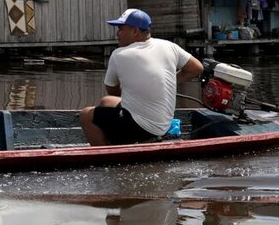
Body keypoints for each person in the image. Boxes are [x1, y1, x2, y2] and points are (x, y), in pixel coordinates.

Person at [80, 8, 204, 146]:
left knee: (86, 115)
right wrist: (170, 81)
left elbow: (112, 89)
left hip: (143, 128)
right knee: (106, 101)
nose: (117, 34)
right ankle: (118, 140)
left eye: (121, 29)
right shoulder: (169, 46)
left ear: (135, 31)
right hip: (163, 124)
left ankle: (106, 156)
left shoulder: (119, 54)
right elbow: (196, 68)